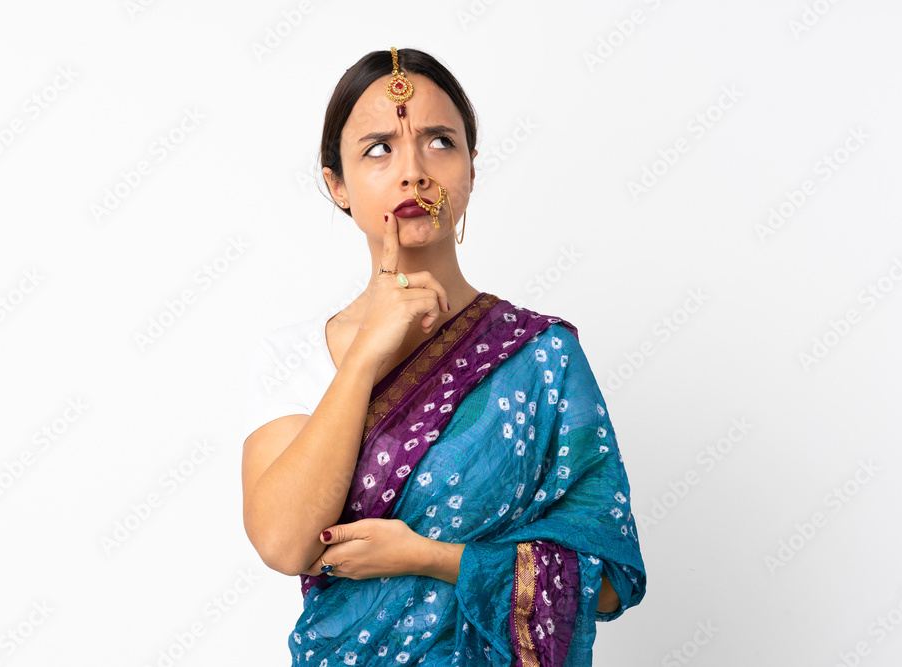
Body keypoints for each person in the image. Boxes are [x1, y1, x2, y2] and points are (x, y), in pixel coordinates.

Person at [241, 47, 646, 666]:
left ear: (471, 169)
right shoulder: (292, 354)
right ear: (337, 184)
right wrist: (364, 357)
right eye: (379, 148)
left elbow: (610, 582)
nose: (413, 172)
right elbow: (284, 543)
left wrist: (431, 558)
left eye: (439, 143)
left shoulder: (541, 355)